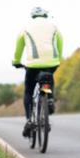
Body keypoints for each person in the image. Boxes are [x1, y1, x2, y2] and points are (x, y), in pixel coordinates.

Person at [12, 7, 63, 137]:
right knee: (49, 78)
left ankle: (30, 119)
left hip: (33, 65)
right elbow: (60, 42)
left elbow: (19, 47)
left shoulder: (26, 28)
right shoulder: (54, 27)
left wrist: (16, 61)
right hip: (52, 63)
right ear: (45, 15)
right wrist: (59, 58)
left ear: (33, 16)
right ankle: (49, 98)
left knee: (29, 91)